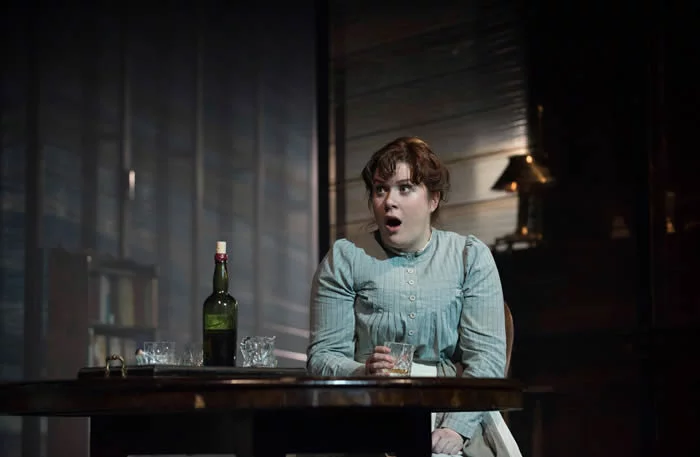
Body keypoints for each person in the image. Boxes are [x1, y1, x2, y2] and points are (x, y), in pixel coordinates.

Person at [307, 136, 517, 456]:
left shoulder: (469, 257)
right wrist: (362, 372)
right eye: (380, 189)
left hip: (456, 406)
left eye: (405, 188)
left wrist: (456, 427)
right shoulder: (345, 259)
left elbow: (486, 360)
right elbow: (323, 356)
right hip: (369, 410)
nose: (389, 201)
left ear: (433, 199)